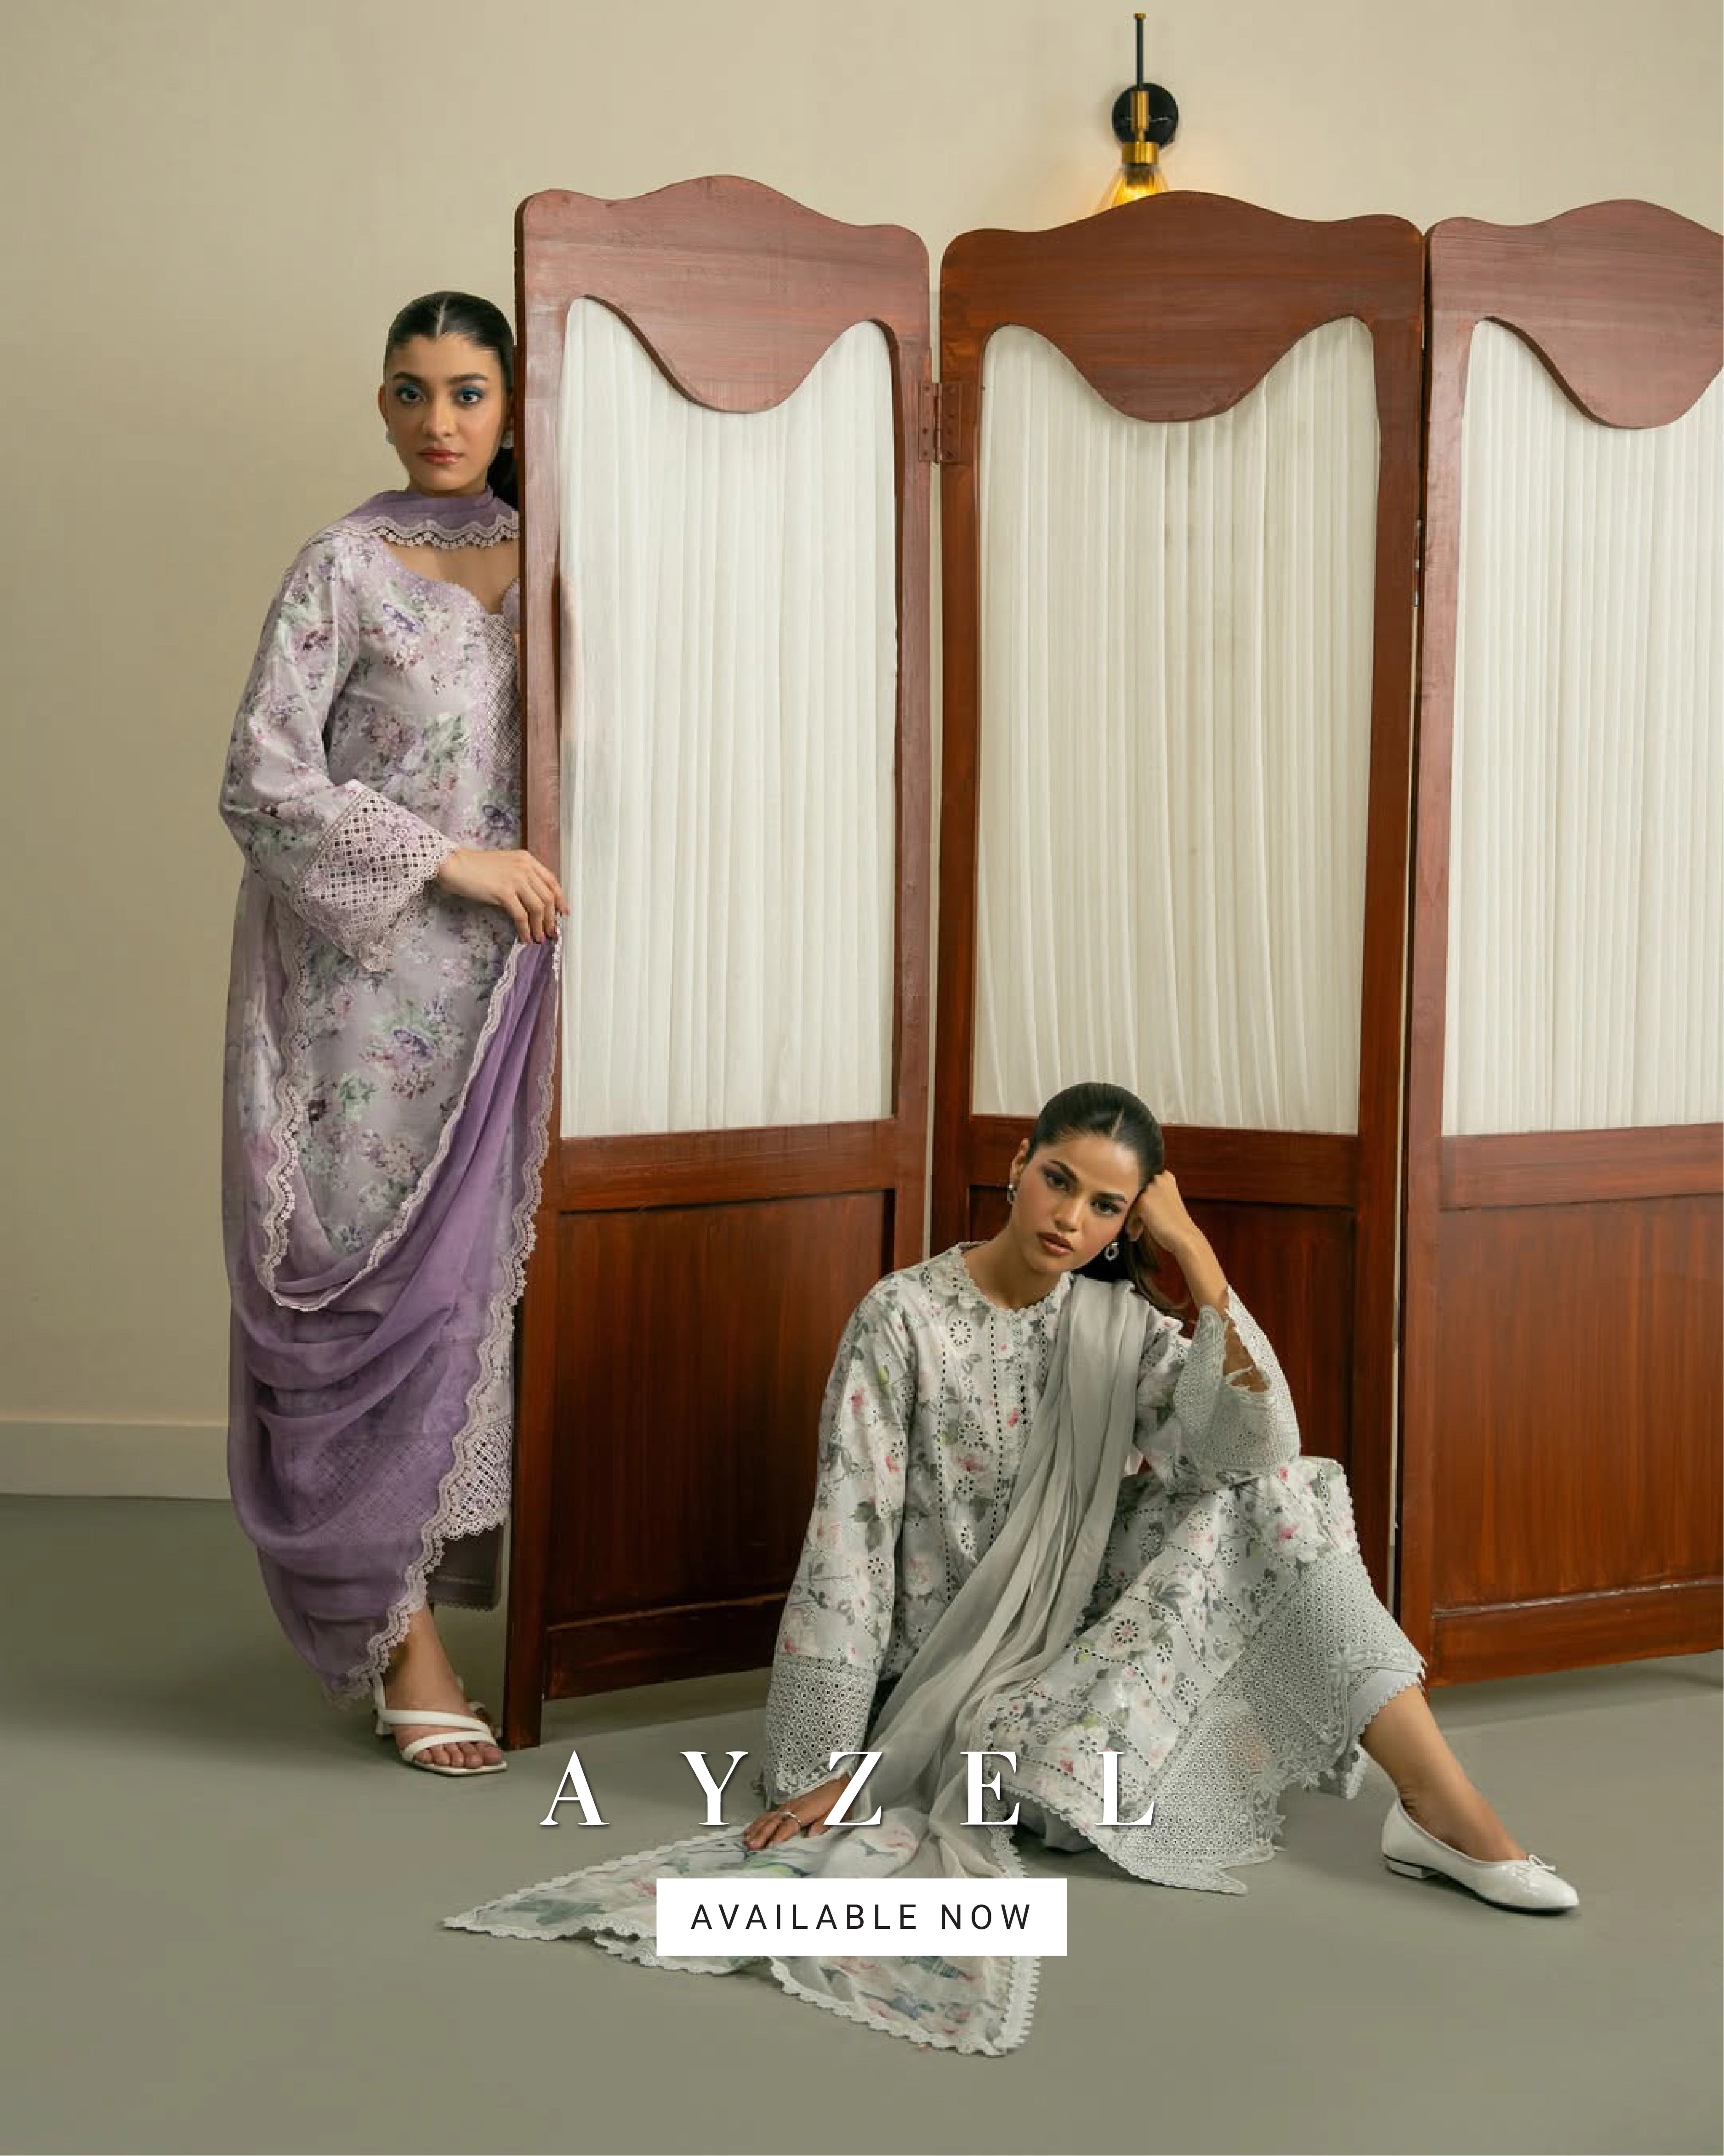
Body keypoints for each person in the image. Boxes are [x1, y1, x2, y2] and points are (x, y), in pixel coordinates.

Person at [447, 1083, 1576, 2053]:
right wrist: (829, 1763)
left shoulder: (1118, 1326)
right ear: (1016, 1165)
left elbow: (1255, 1449)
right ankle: (1424, 1811)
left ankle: (1437, 1804)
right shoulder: (903, 1318)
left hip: (1078, 1646)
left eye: (1107, 1206)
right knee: (1088, 1739)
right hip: (953, 1689)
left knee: (1288, 1493)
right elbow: (848, 1536)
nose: (1070, 1217)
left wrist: (1196, 1258)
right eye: (1058, 1180)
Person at [219, 291, 567, 1775]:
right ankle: (399, 1639)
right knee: (376, 1293)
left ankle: (517, 1613)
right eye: (413, 390)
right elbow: (259, 780)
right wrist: (447, 861)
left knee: (483, 1298)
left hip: (524, 983)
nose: (440, 420)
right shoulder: (344, 568)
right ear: (380, 402)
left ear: (514, 403)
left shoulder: (562, 559)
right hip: (366, 995)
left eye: (469, 391)